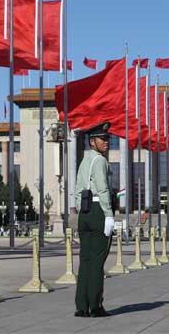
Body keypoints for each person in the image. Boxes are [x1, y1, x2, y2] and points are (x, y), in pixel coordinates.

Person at [74, 122, 113, 318]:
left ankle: (82, 306)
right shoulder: (99, 161)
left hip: (84, 212)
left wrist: (81, 210)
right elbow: (103, 188)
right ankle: (96, 306)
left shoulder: (84, 161)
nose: (107, 142)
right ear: (92, 141)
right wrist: (109, 215)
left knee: (85, 260)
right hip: (98, 210)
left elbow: (77, 189)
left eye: (108, 138)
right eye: (103, 139)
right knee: (97, 261)